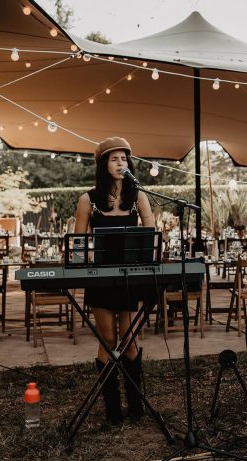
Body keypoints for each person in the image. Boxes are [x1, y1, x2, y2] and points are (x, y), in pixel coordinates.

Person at [74, 137, 155, 426]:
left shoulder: (138, 196)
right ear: (103, 164)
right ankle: (112, 408)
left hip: (131, 277)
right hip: (100, 278)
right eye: (114, 159)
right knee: (108, 338)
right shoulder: (88, 199)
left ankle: (135, 404)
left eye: (124, 158)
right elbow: (79, 243)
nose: (120, 163)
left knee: (130, 337)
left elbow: (151, 233)